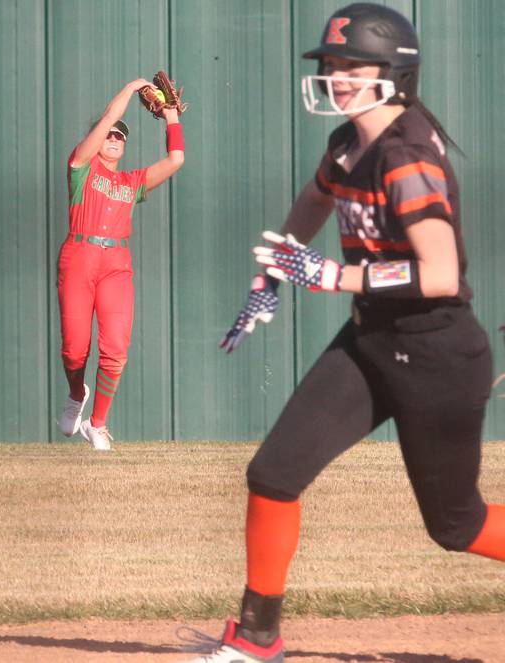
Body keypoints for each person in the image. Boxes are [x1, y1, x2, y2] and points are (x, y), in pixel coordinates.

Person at [189, 4, 505, 662]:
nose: (334, 76)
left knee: (456, 524)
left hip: (438, 353)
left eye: (349, 64)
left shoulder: (404, 154)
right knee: (273, 473)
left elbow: (441, 273)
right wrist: (273, 267)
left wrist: (335, 274)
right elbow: (313, 199)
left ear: (394, 73)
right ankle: (256, 635)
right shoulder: (348, 143)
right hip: (370, 342)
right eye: (330, 64)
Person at [57, 78, 185, 450]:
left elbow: (176, 159)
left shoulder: (131, 182)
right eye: (109, 135)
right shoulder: (81, 167)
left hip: (115, 262)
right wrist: (130, 90)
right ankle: (76, 393)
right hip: (79, 257)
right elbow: (108, 121)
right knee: (74, 349)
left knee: (115, 347)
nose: (114, 139)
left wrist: (171, 116)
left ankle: (97, 425)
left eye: (120, 137)